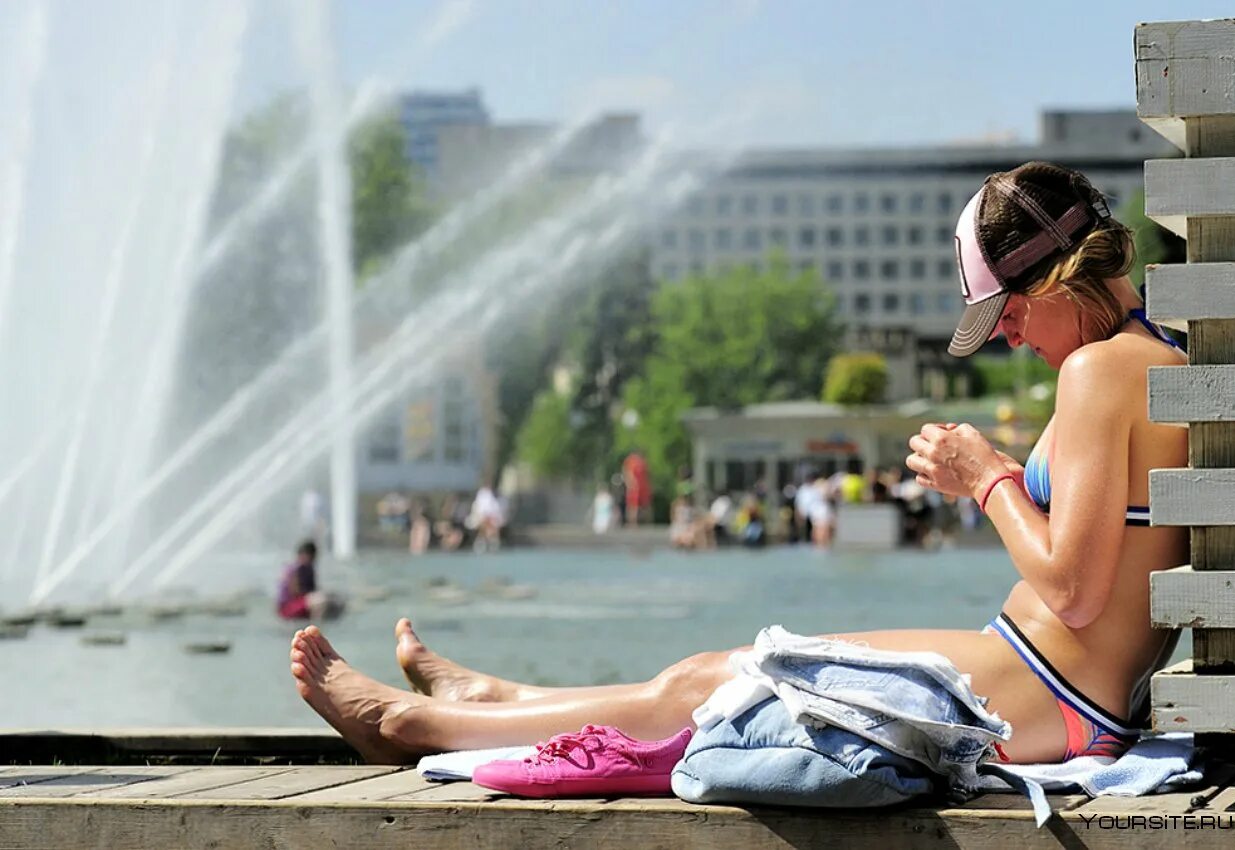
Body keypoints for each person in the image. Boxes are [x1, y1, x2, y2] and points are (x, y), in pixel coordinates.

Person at [288, 162, 1187, 768]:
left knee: (706, 684)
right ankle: (494, 698)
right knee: (702, 671)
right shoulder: (1141, 355)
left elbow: (1071, 589)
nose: (1014, 338)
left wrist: (986, 474)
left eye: (1013, 316)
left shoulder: (1101, 370)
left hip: (1050, 689)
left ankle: (421, 726)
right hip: (1046, 681)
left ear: (1053, 277)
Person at [276, 541, 342, 620]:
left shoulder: (308, 568)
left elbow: (313, 588)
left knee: (335, 600)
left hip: (300, 602)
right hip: (289, 608)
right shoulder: (294, 569)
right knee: (322, 601)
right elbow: (296, 592)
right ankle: (315, 626)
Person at [621, 452, 651, 526]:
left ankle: (647, 522)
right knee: (632, 506)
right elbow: (626, 472)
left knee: (645, 505)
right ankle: (632, 522)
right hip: (634, 487)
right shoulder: (630, 460)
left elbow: (647, 474)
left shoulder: (643, 461)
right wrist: (629, 482)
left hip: (643, 487)